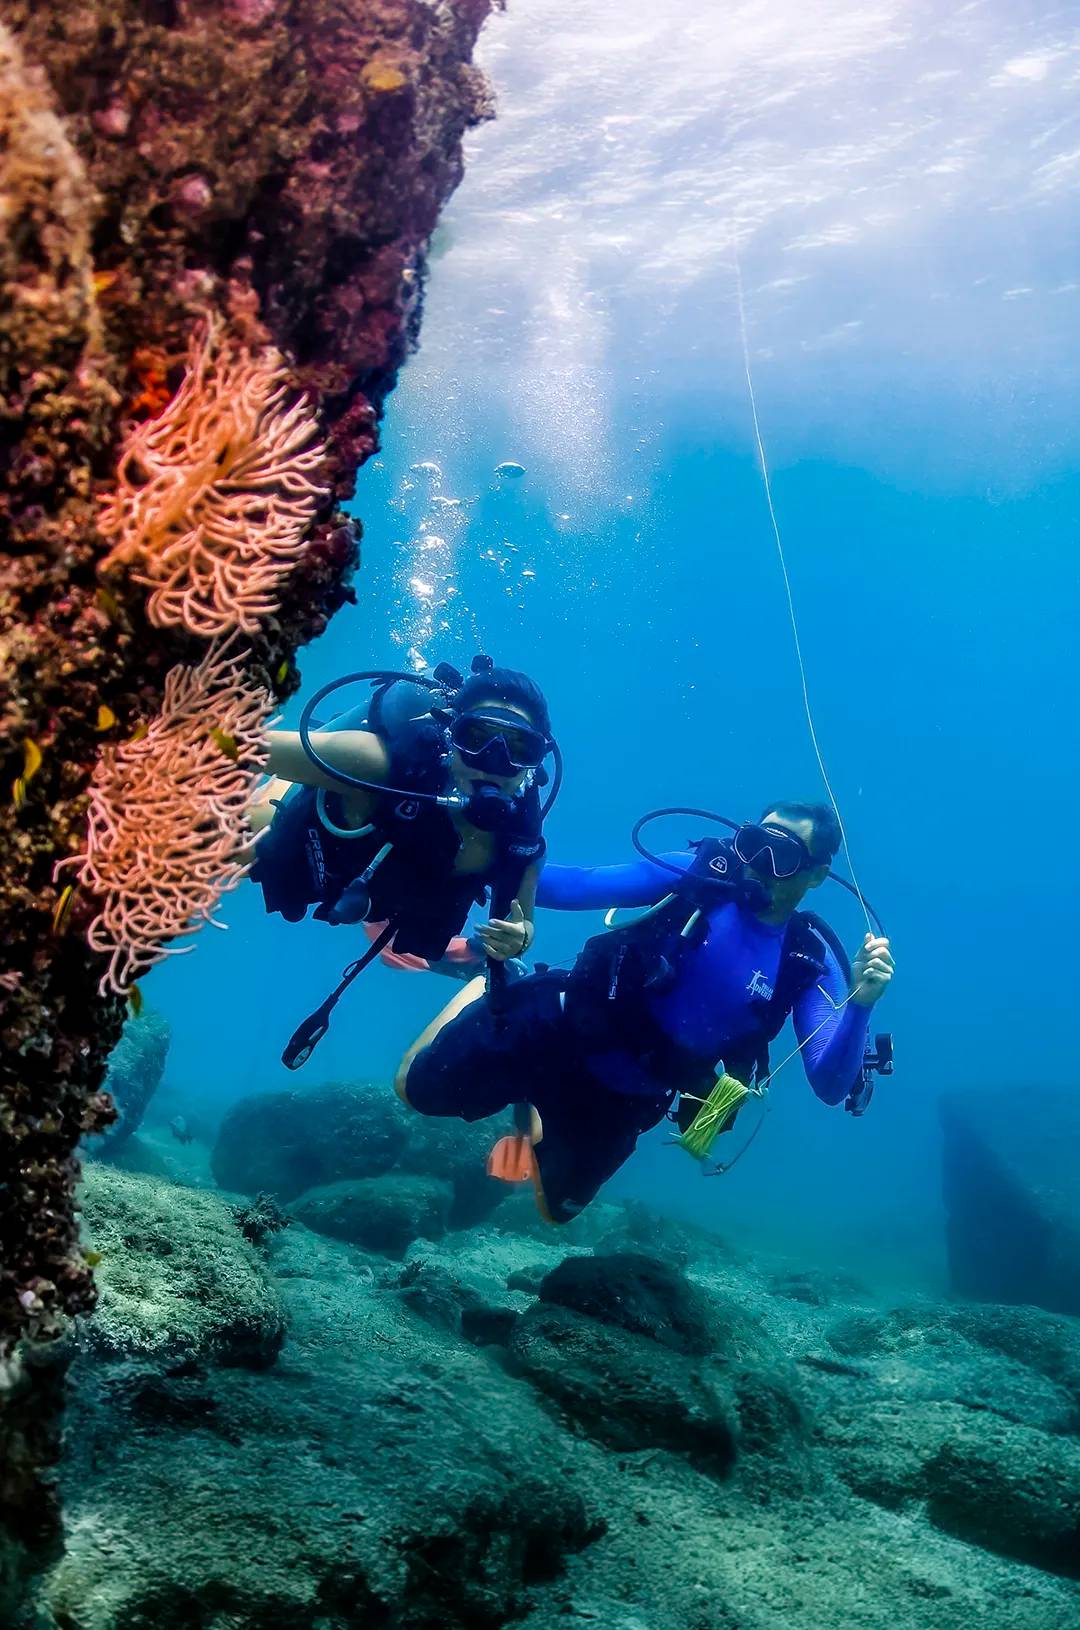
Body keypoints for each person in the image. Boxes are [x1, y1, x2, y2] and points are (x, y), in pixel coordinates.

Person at [394, 801, 894, 1223]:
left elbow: (830, 1085)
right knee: (416, 1092)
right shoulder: (699, 878)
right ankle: (482, 986)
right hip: (555, 1027)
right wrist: (485, 861)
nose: (757, 862)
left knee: (556, 1211)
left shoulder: (805, 958)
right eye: (752, 842)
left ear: (816, 874)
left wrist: (861, 1005)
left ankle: (543, 1115)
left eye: (781, 854)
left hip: (628, 1094)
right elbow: (582, 885)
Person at [250, 658, 556, 980]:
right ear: (451, 734)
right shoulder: (378, 764)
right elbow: (246, 748)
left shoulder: (520, 837)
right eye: (476, 740)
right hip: (296, 842)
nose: (492, 765)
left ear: (533, 765)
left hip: (383, 892)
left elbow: (520, 925)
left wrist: (518, 938)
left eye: (519, 750)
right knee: (224, 840)